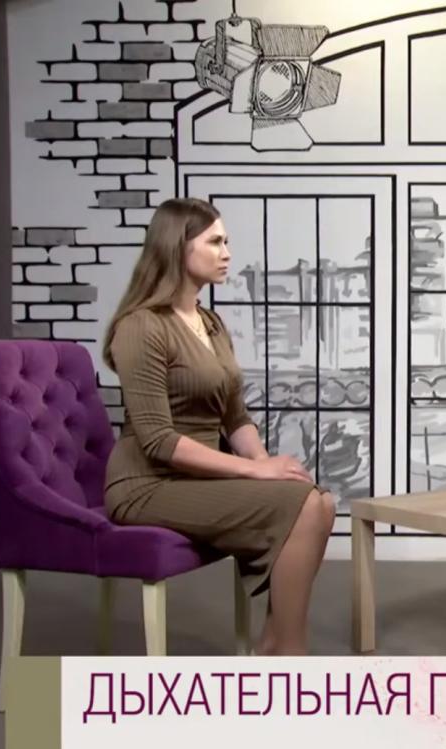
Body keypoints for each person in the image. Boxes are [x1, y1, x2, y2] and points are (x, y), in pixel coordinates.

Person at [102, 197, 335, 656]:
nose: (226, 253)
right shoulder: (141, 327)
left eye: (226, 241)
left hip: (197, 477)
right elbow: (158, 440)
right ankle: (289, 653)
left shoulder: (210, 324)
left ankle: (276, 644)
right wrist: (254, 471)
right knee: (306, 505)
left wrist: (267, 464)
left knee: (319, 502)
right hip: (148, 484)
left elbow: (234, 417)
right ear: (177, 247)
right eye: (214, 242)